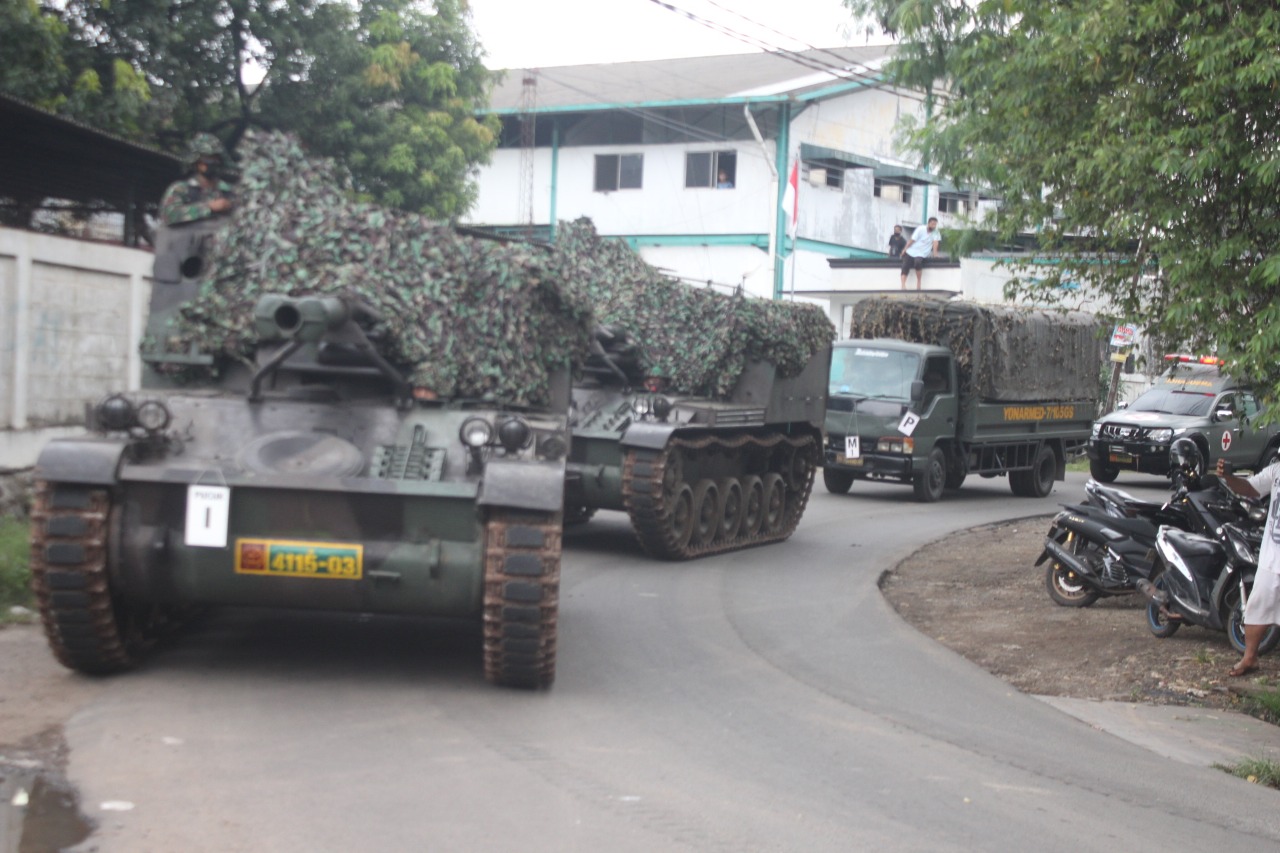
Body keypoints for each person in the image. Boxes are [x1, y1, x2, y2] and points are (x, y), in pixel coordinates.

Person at [1214, 456, 1280, 677]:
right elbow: (1250, 488)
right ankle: (1250, 657)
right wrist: (1228, 477)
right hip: (1272, 557)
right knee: (1256, 607)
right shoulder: (1276, 471)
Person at [160, 133, 236, 226]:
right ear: (196, 162)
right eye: (208, 159)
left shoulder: (230, 191)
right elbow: (168, 215)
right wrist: (209, 207)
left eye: (216, 159)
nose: (213, 163)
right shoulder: (181, 189)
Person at [900, 217, 941, 290]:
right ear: (928, 223)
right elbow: (912, 240)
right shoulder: (921, 229)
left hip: (922, 252)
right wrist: (905, 249)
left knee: (917, 262)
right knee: (905, 266)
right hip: (912, 250)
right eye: (932, 224)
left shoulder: (936, 232)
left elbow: (935, 243)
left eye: (935, 224)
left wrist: (935, 254)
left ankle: (918, 282)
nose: (934, 226)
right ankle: (903, 285)